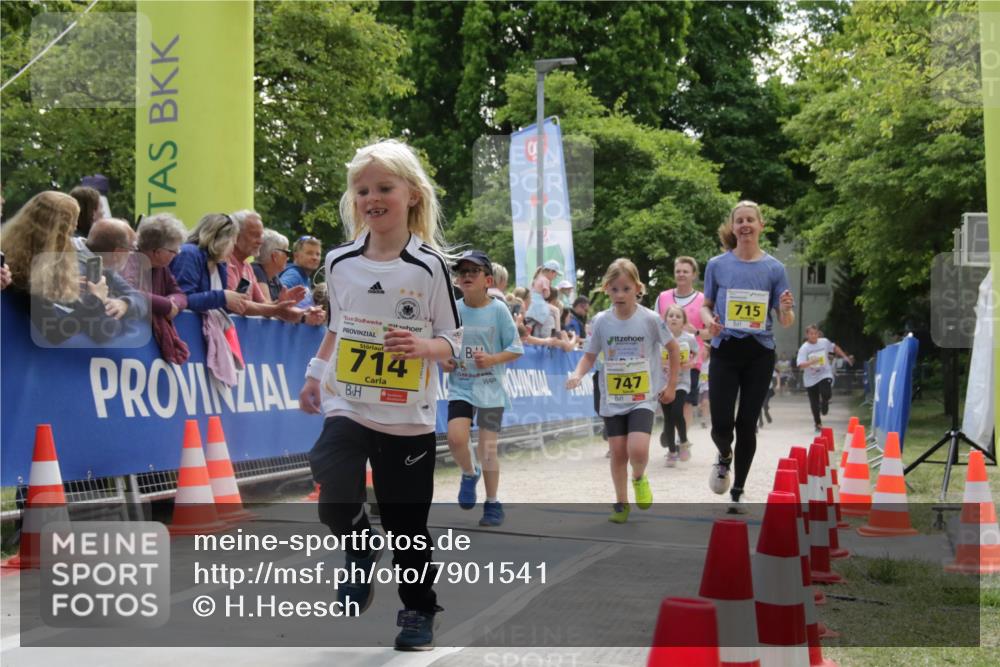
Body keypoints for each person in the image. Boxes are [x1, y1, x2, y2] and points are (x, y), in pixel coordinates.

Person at [298, 139, 461, 651]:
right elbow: (336, 326)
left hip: (407, 414)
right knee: (329, 475)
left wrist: (421, 346)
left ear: (411, 194)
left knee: (406, 523)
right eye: (362, 189)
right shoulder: (340, 259)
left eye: (384, 188)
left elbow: (454, 346)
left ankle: (417, 610)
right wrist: (313, 374)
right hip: (348, 399)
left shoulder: (430, 266)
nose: (372, 197)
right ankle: (359, 547)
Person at [566, 258, 679, 523]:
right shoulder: (601, 321)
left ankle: (639, 477)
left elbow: (673, 348)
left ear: (638, 288)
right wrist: (577, 374)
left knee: (637, 450)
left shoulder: (650, 319)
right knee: (618, 452)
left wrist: (671, 384)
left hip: (643, 396)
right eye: (614, 289)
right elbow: (589, 356)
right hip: (613, 397)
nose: (620, 295)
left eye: (626, 289)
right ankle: (621, 503)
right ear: (606, 289)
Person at [701, 201, 795, 513]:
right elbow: (706, 304)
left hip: (759, 352)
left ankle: (738, 489)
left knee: (747, 422)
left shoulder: (774, 269)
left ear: (760, 225)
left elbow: (786, 320)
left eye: (750, 220)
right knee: (721, 422)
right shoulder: (717, 264)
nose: (745, 225)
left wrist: (785, 306)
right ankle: (724, 456)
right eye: (739, 220)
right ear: (733, 226)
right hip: (725, 349)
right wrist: (709, 320)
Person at [442, 250, 523, 527]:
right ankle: (468, 472)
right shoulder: (453, 310)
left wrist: (491, 359)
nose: (466, 276)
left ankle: (492, 503)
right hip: (461, 385)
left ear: (487, 280)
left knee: (488, 448)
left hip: (491, 389)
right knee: (455, 438)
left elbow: (516, 348)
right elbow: (444, 346)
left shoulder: (499, 310)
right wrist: (445, 360)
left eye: (472, 272)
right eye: (461, 272)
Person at [0, 191, 119, 343]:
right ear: (58, 233)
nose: (71, 238)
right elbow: (53, 332)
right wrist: (96, 300)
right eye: (69, 231)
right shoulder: (33, 272)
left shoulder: (14, 254)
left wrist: (62, 288)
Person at [227, 210, 324, 324]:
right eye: (254, 235)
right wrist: (278, 307)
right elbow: (236, 304)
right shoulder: (226, 263)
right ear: (236, 235)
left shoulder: (247, 268)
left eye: (261, 236)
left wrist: (300, 312)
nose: (260, 242)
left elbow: (264, 305)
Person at [656, 256, 709, 442]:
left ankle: (681, 442)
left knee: (685, 403)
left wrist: (696, 333)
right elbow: (655, 326)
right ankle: (670, 430)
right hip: (665, 361)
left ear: (694, 275)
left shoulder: (703, 299)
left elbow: (711, 333)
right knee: (667, 401)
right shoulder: (663, 297)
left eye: (685, 271)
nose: (681, 274)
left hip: (690, 362)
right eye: (678, 271)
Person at [127, 213, 190, 364]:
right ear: (157, 252)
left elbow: (179, 294)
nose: (176, 255)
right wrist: (166, 305)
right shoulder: (129, 261)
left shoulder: (162, 268)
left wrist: (172, 302)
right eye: (174, 251)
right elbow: (127, 292)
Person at [77, 218, 150, 323]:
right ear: (118, 253)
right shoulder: (73, 270)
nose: (132, 254)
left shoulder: (104, 265)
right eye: (132, 249)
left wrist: (125, 304)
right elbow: (100, 327)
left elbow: (140, 298)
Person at [797, 324, 854, 433]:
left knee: (826, 392)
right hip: (810, 378)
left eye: (815, 333)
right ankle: (818, 423)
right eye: (811, 334)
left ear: (818, 333)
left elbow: (835, 348)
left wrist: (845, 357)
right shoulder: (804, 348)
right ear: (807, 335)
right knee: (814, 403)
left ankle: (825, 401)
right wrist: (810, 362)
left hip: (824, 373)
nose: (814, 336)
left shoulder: (824, 342)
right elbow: (800, 365)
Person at [659, 305, 698, 467]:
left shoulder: (689, 338)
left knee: (676, 412)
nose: (674, 318)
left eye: (678, 316)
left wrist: (690, 363)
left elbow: (695, 354)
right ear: (665, 320)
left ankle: (683, 441)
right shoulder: (659, 338)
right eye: (671, 315)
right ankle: (672, 451)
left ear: (683, 322)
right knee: (668, 417)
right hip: (663, 383)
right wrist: (661, 364)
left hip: (682, 382)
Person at [280, 234, 323, 307]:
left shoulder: (305, 277)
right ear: (296, 256)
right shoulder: (294, 275)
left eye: (318, 254)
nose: (315, 257)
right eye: (309, 253)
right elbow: (277, 294)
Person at [252, 229, 291, 302]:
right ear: (275, 256)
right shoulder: (257, 271)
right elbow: (266, 308)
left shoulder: (273, 277)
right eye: (287, 253)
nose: (288, 258)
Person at [524, 259, 561, 331]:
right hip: (539, 302)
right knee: (553, 311)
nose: (555, 277)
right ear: (551, 272)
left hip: (532, 300)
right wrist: (549, 293)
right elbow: (546, 295)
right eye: (555, 274)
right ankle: (557, 332)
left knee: (533, 319)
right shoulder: (546, 280)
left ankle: (530, 325)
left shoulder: (537, 277)